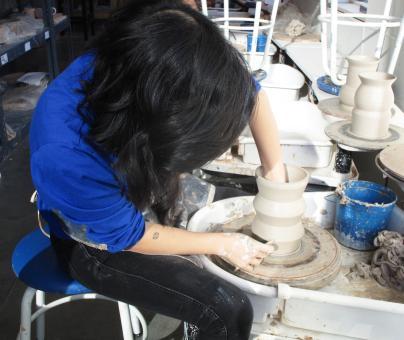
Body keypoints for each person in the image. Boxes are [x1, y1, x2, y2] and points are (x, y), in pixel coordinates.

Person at [30, 1, 285, 339]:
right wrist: (220, 243)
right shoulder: (67, 156)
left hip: (138, 178)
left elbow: (250, 95)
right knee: (227, 308)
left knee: (243, 209)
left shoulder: (155, 61)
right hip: (92, 240)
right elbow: (127, 235)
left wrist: (275, 171)